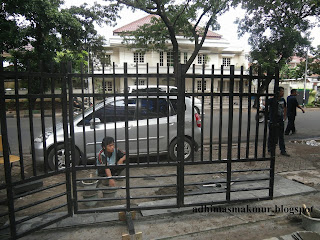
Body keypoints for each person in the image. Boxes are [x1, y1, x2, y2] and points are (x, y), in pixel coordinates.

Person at [267, 87, 290, 157]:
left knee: (281, 136)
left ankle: (282, 150)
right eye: (281, 91)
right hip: (273, 120)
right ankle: (270, 150)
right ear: (277, 92)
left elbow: (285, 107)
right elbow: (265, 104)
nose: (282, 93)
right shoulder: (272, 100)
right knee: (272, 136)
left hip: (280, 120)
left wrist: (285, 116)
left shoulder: (283, 100)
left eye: (283, 91)